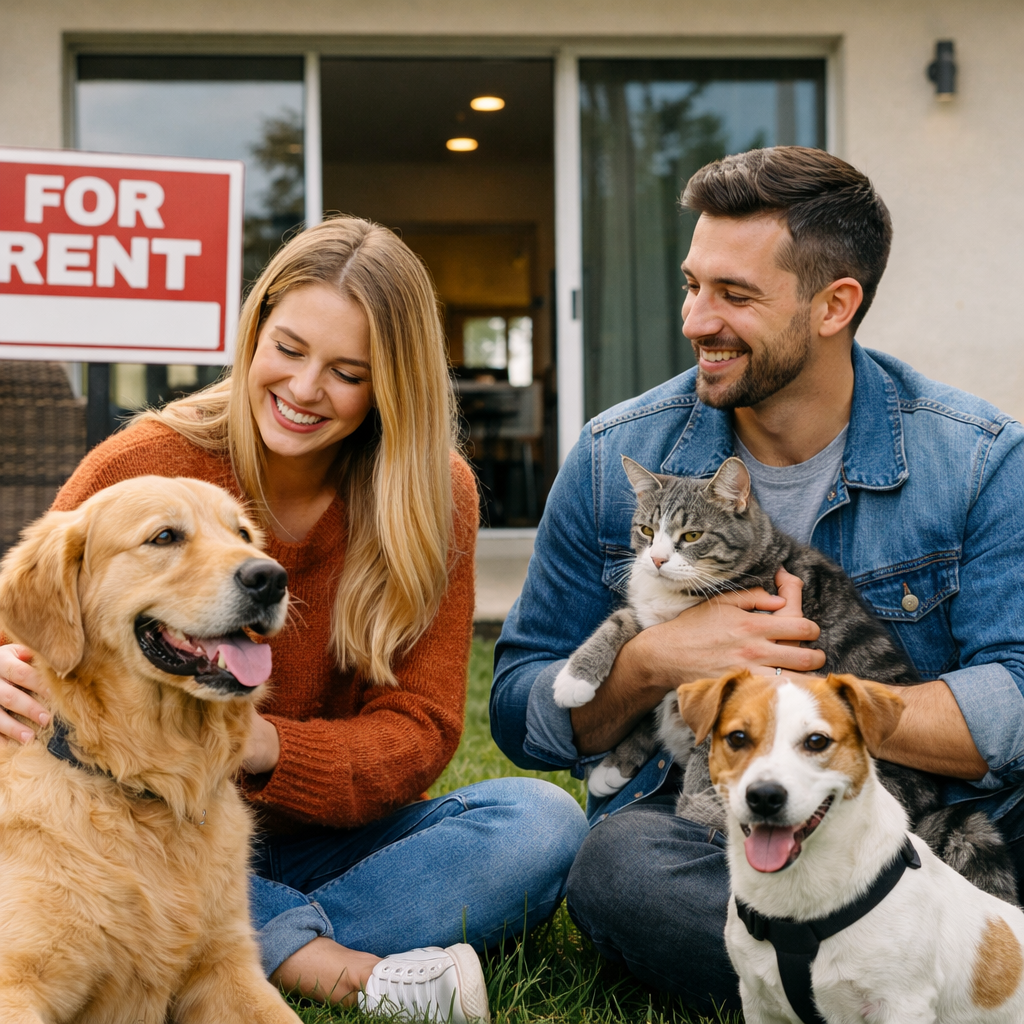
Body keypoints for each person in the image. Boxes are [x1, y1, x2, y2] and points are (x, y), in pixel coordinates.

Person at [0, 216, 588, 1018]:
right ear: (253, 336)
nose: (306, 389)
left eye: (349, 371)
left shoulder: (433, 495)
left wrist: (265, 744)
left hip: (308, 840)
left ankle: (201, 943)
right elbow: (34, 616)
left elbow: (419, 729)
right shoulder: (144, 464)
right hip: (113, 817)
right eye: (288, 349)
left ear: (392, 383)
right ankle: (329, 967)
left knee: (538, 821)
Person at [490, 146, 1024, 1013]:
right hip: (723, 828)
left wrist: (806, 695)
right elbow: (521, 711)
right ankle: (909, 971)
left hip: (932, 821)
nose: (698, 319)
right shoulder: (609, 458)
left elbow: (1018, 690)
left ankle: (851, 964)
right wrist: (658, 659)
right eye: (693, 285)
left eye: (735, 296)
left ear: (833, 305)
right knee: (621, 866)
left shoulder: (976, 460)